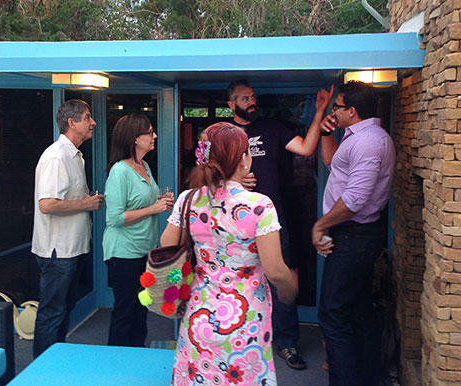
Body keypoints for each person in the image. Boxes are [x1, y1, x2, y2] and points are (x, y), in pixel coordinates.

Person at [161, 122, 298, 386]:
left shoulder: (188, 199)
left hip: (199, 312)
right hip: (245, 319)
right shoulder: (259, 205)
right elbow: (275, 271)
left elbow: (166, 245)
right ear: (243, 160)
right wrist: (290, 288)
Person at [226, 79, 332, 370]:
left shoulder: (272, 129)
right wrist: (232, 180)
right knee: (237, 281)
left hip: (272, 221)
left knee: (281, 280)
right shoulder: (223, 134)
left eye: (253, 96)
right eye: (245, 98)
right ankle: (239, 338)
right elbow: (206, 175)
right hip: (234, 222)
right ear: (231, 104)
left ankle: (287, 343)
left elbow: (307, 148)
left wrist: (320, 110)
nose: (251, 101)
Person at [312, 81, 395, 386]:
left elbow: (355, 200)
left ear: (352, 111)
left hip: (354, 236)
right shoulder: (357, 137)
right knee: (359, 312)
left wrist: (320, 225)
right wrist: (325, 133)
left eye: (338, 105)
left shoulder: (367, 142)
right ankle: (367, 378)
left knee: (332, 316)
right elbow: (332, 162)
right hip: (355, 236)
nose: (334, 110)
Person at [31, 99, 104, 358]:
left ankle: (56, 360)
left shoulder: (76, 156)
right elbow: (47, 204)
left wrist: (87, 204)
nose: (93, 122)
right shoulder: (55, 157)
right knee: (52, 313)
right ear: (72, 123)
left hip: (73, 248)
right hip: (57, 251)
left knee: (63, 310)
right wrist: (85, 203)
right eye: (87, 117)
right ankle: (43, 372)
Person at [103, 114, 174, 347]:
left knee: (141, 308)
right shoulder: (119, 171)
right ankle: (115, 368)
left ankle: (137, 357)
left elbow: (142, 202)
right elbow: (114, 218)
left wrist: (161, 200)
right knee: (125, 312)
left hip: (145, 250)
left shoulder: (144, 166)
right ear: (135, 138)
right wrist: (154, 208)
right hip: (123, 252)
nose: (154, 136)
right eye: (150, 132)